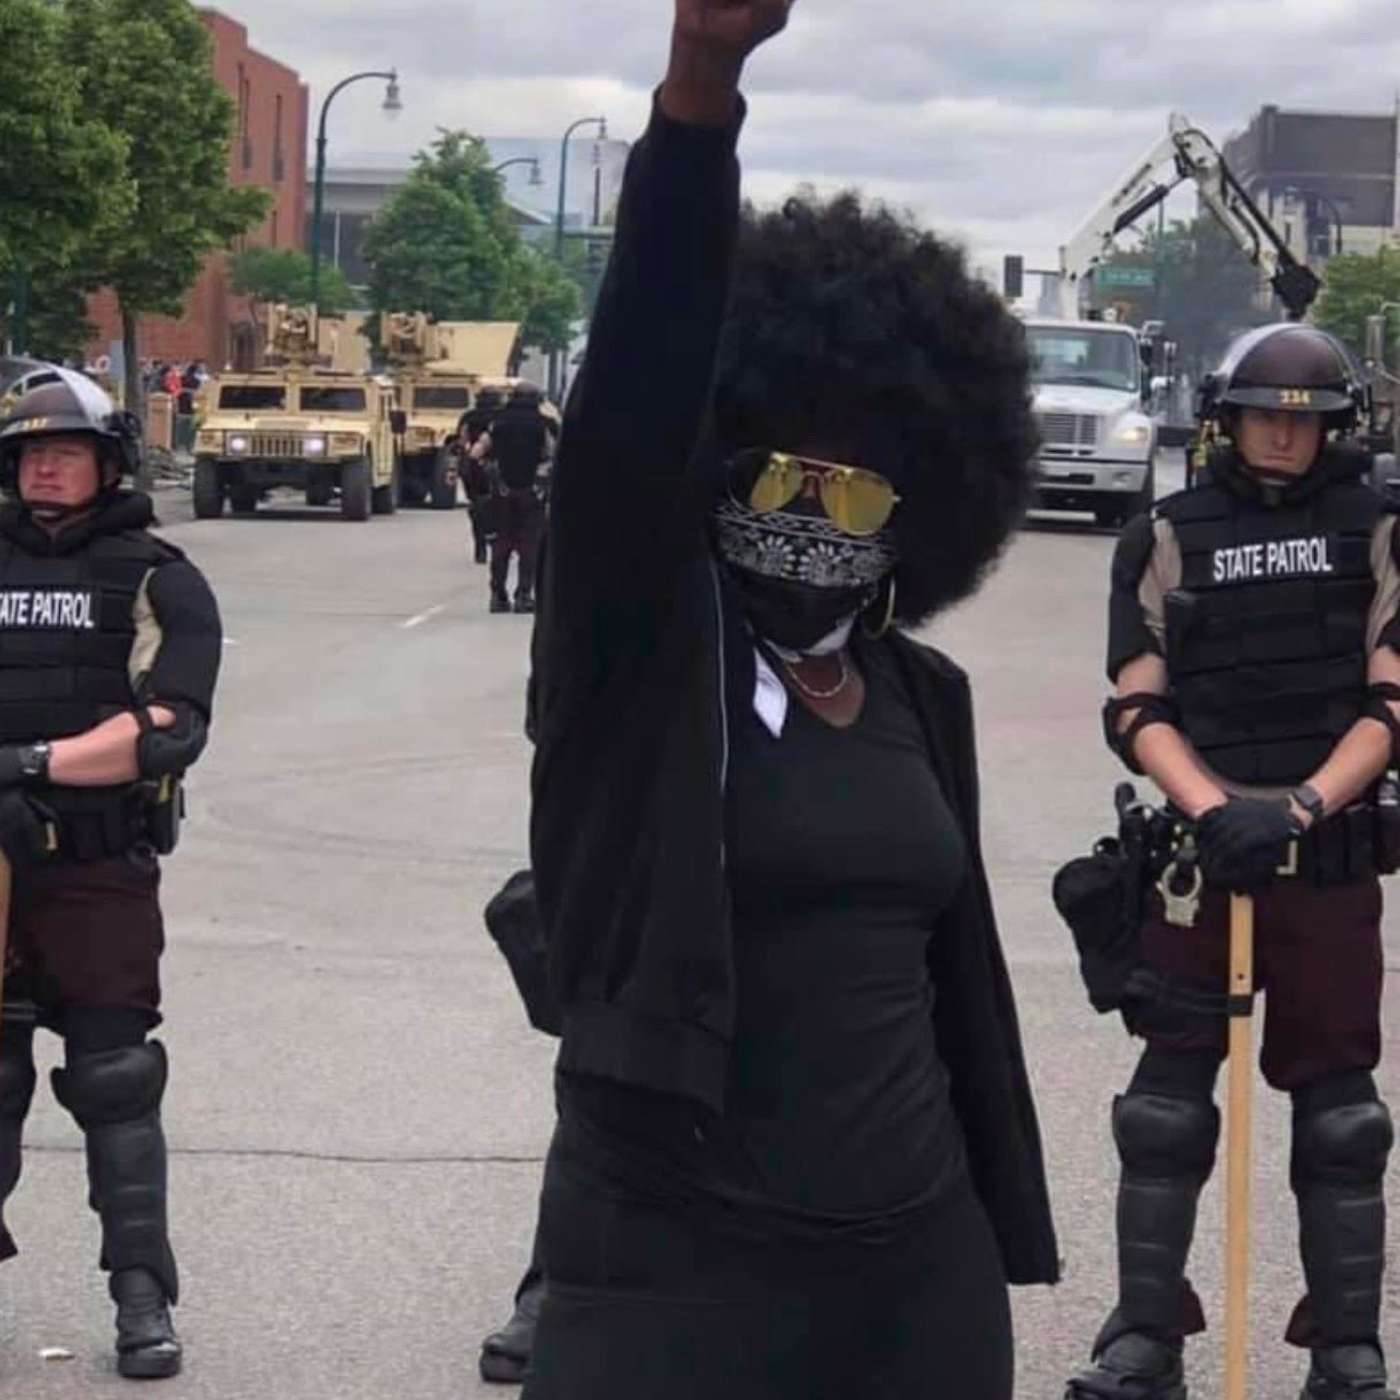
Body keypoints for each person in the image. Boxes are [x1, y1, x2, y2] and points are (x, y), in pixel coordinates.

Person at [518, 3, 1059, 1396]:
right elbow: (641, 380)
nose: (812, 508)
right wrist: (702, 87)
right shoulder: (635, 654)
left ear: (931, 498)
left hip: (916, 1274)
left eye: (857, 482)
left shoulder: (915, 692)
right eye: (777, 472)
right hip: (670, 1271)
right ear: (720, 465)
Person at [1068, 322, 1400, 1400]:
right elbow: (1134, 700)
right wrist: (1214, 810)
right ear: (1222, 419)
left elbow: (1388, 699)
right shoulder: (1163, 531)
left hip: (1325, 853)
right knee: (1162, 1106)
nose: (1280, 433)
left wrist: (1299, 808)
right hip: (1197, 860)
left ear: (1334, 431)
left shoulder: (1379, 529)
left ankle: (1345, 1346)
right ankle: (1145, 1337)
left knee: (1343, 1115)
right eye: (1262, 412)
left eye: (1303, 419)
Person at [0, 365, 222, 1380]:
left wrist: (33, 764)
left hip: (95, 865)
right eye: (28, 453)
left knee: (115, 1081)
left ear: (107, 463)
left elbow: (165, 731)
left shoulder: (156, 575)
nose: (44, 467)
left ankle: (142, 1295)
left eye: (65, 451)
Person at [470, 385, 555, 614]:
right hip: (533, 494)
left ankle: (498, 596)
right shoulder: (545, 424)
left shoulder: (498, 423)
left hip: (502, 493)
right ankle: (524, 596)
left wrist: (490, 472)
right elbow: (554, 456)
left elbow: (476, 452)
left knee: (501, 546)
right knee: (530, 547)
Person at [458, 387, 506, 566]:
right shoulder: (502, 417)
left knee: (476, 504)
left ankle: (480, 546)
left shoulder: (469, 417)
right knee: (500, 506)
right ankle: (495, 539)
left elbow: (462, 441)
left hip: (473, 466)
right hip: (499, 466)